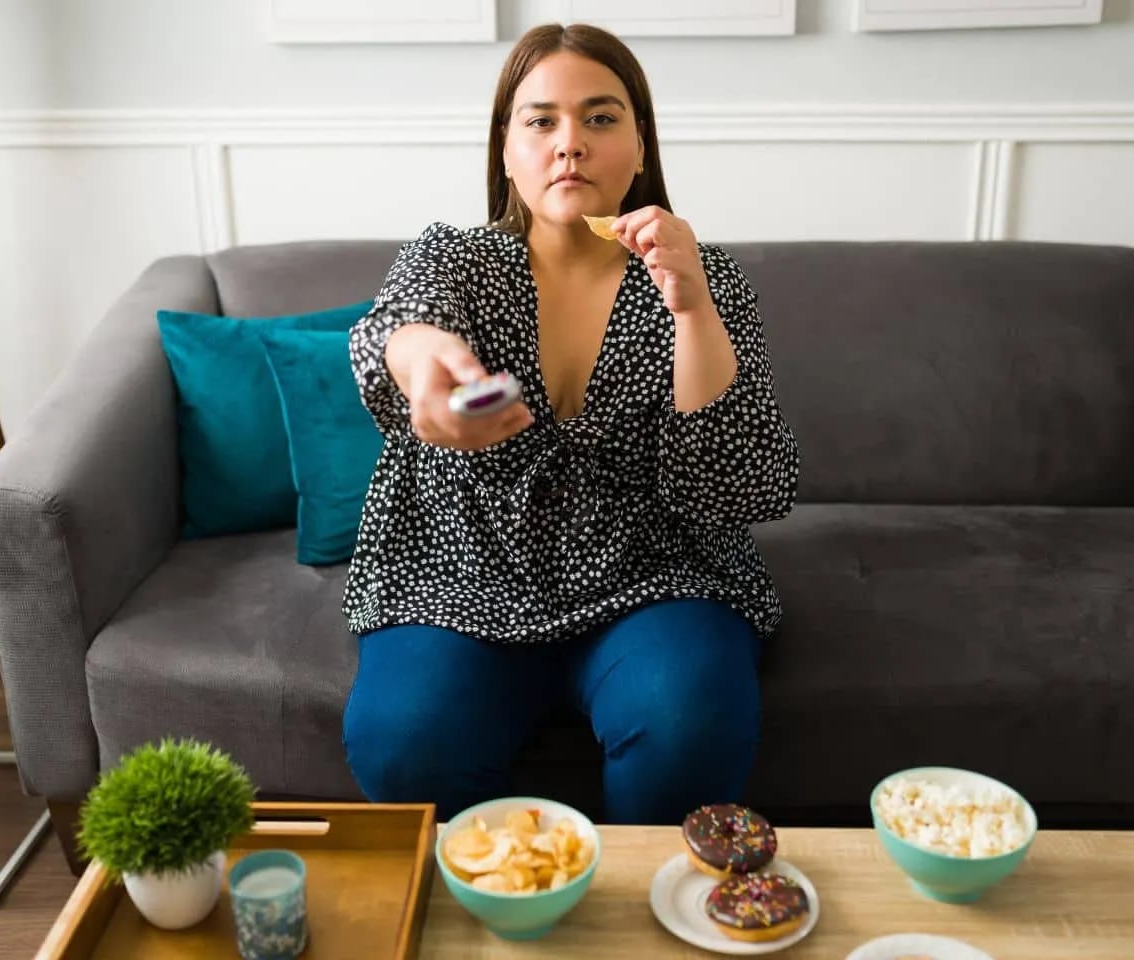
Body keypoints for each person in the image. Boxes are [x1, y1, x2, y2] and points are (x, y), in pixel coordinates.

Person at [341, 22, 799, 825]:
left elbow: (741, 483)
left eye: (600, 118)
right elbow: (396, 332)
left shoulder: (704, 271)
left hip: (655, 573)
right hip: (463, 570)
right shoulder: (451, 258)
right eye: (541, 120)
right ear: (507, 148)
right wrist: (425, 367)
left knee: (691, 722)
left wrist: (691, 308)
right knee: (401, 742)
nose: (570, 145)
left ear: (640, 143)